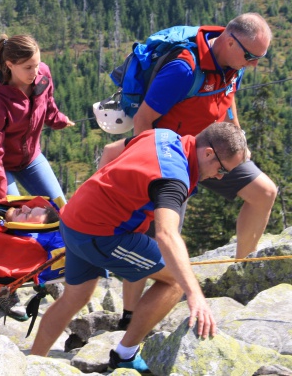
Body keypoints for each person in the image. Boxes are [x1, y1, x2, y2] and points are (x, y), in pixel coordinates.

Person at [99, 13, 277, 330]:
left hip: (214, 151)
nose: (253, 65)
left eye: (259, 58)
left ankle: (240, 273)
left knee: (264, 193)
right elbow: (143, 120)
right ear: (229, 40)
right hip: (171, 159)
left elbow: (228, 96)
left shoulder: (232, 63)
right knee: (155, 237)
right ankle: (129, 317)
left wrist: (238, 138)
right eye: (250, 56)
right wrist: (153, 171)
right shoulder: (184, 69)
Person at [31, 122, 248, 371]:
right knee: (176, 281)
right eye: (222, 169)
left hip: (73, 219)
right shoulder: (174, 178)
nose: (220, 176)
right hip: (101, 234)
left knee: (74, 297)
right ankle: (125, 354)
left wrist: (103, 196)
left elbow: (111, 148)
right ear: (208, 152)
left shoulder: (163, 136)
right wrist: (195, 294)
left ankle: (33, 364)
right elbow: (167, 234)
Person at [0, 33, 75, 205]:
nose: (35, 72)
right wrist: (3, 201)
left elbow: (47, 103)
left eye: (37, 64)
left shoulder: (42, 75)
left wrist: (59, 119)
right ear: (10, 65)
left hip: (29, 158)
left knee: (61, 209)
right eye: (28, 67)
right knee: (17, 216)